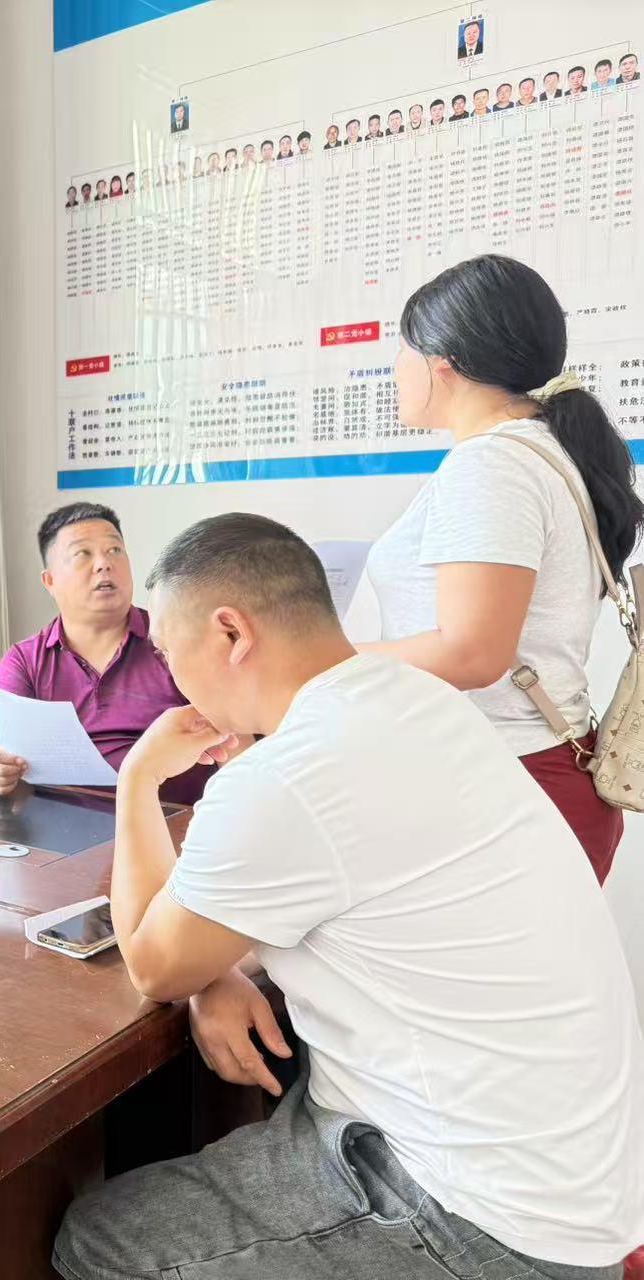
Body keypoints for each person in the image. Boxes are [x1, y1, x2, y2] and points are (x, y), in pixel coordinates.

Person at [51, 513, 644, 1280]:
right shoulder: (412, 697)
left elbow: (154, 966)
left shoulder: (287, 776)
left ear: (229, 633)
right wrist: (213, 968)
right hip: (578, 1177)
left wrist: (138, 778)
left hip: (484, 1220)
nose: (171, 680)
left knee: (95, 1239)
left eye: (168, 652)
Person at [362, 255, 644, 884]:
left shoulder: (491, 466)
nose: (395, 366)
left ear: (443, 364)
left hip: (507, 787)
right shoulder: (535, 451)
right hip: (526, 778)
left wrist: (323, 658)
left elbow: (473, 653)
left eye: (402, 348)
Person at [0, 503, 214, 805]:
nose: (104, 564)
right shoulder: (26, 660)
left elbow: (234, 737)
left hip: (170, 819)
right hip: (60, 822)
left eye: (114, 550)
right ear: (50, 581)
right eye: (83, 554)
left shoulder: (173, 639)